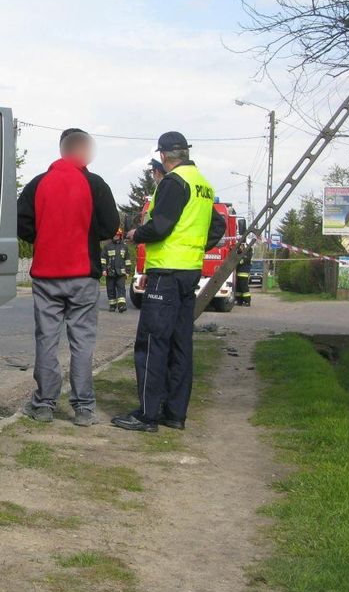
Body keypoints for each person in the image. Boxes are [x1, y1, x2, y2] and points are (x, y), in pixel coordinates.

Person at [112, 132, 225, 433]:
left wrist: (138, 234)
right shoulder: (202, 183)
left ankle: (147, 415)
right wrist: (197, 245)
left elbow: (161, 227)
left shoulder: (173, 182)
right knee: (180, 344)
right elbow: (218, 225)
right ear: (185, 152)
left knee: (151, 343)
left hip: (166, 273)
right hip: (189, 272)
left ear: (163, 156)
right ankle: (175, 413)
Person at [17, 129, 120, 427]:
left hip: (47, 276)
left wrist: (44, 235)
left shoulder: (38, 183)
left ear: (62, 150)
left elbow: (22, 224)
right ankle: (84, 408)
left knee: (47, 339)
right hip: (83, 275)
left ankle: (44, 404)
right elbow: (110, 225)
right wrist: (88, 236)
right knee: (82, 341)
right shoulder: (95, 184)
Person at [102, 232, 131, 312]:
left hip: (121, 273)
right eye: (114, 235)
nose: (116, 236)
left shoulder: (124, 247)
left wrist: (128, 271)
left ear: (120, 236)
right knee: (110, 289)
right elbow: (103, 259)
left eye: (117, 235)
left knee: (121, 289)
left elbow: (127, 260)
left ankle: (122, 305)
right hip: (110, 273)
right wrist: (103, 270)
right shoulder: (107, 247)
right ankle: (112, 305)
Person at [235, 242, 253, 306]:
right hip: (239, 274)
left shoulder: (248, 254)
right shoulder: (241, 253)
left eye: (242, 246)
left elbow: (240, 262)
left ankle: (247, 301)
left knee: (244, 288)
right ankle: (239, 301)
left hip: (244, 274)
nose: (240, 247)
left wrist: (235, 261)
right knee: (238, 288)